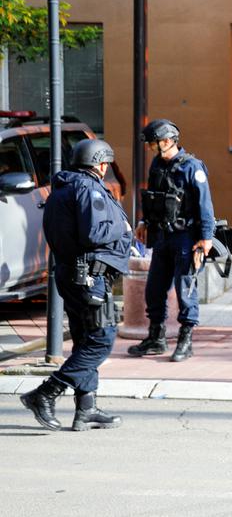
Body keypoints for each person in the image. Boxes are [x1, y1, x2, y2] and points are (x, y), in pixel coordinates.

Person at [21, 139, 131, 431]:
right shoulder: (88, 188)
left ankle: (86, 408)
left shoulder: (62, 189)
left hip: (71, 274)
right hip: (89, 277)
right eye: (105, 163)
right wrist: (123, 225)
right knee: (100, 340)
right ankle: (45, 394)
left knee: (84, 341)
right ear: (100, 163)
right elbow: (95, 233)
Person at [127, 119, 215, 362]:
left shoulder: (192, 167)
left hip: (186, 238)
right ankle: (156, 338)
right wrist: (144, 222)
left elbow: (205, 206)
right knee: (154, 290)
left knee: (185, 289)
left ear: (166, 142)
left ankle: (186, 341)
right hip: (162, 237)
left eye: (152, 144)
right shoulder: (157, 164)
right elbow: (153, 198)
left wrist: (206, 238)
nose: (149, 148)